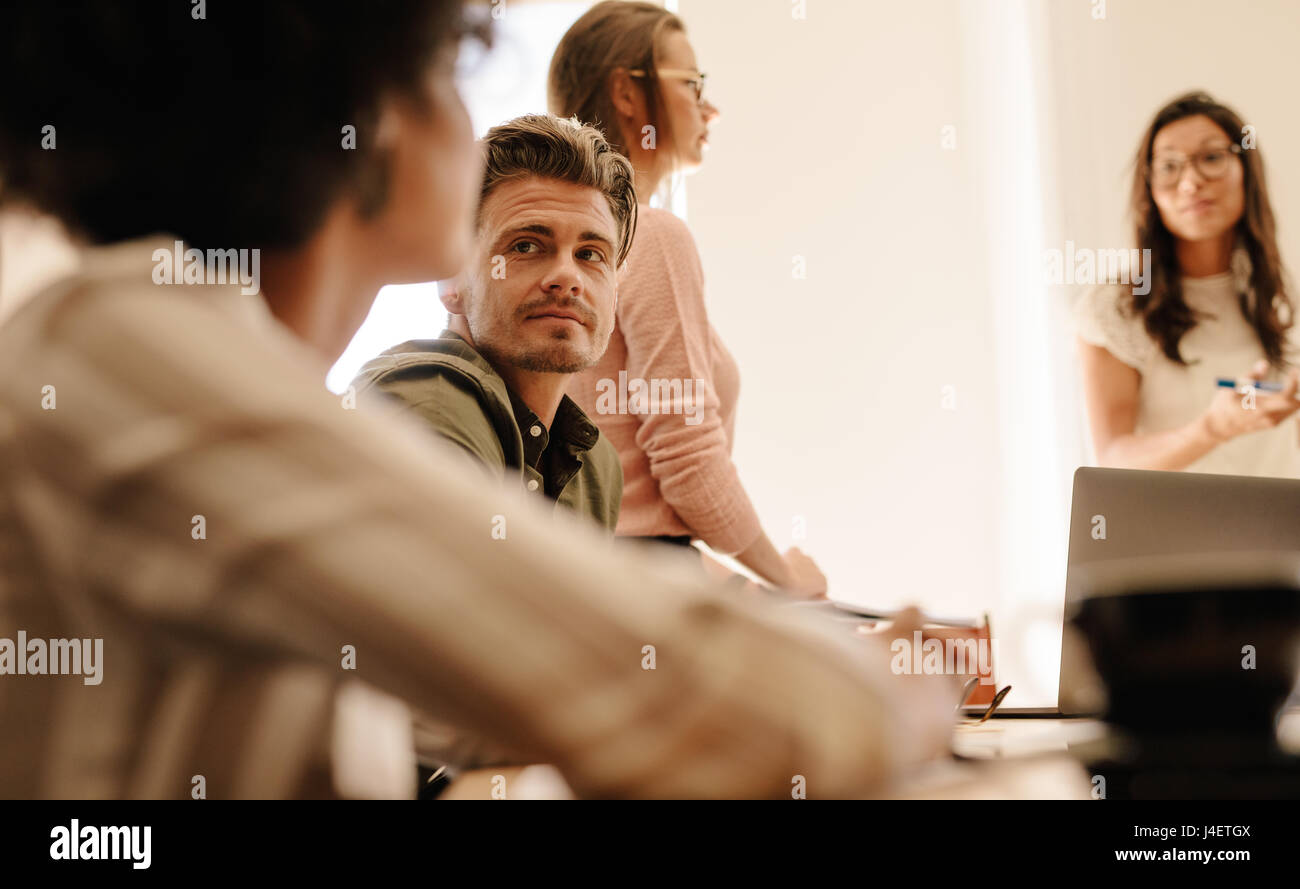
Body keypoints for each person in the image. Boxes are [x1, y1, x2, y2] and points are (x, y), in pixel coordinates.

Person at [0, 1, 952, 799]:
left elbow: (487, 693)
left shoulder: (189, 355)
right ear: (367, 125)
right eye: (449, 81)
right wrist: (878, 688)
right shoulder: (125, 347)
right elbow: (669, 695)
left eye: (592, 253)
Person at [549, 1, 828, 596]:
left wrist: (732, 584)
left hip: (600, 579)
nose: (711, 107)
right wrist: (786, 580)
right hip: (646, 587)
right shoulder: (648, 234)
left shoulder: (557, 249)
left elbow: (634, 488)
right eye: (693, 84)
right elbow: (687, 460)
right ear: (627, 93)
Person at [351, 115, 630, 531]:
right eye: (526, 245)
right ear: (453, 280)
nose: (567, 277)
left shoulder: (596, 464)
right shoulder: (423, 404)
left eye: (590, 254)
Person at [1075, 91, 1300, 476]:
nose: (1191, 181)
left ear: (1246, 170)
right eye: (1169, 167)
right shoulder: (1114, 307)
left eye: (1211, 158)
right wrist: (1212, 429)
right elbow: (1112, 460)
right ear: (1149, 188)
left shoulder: (1280, 295)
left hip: (1275, 531)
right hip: (1169, 532)